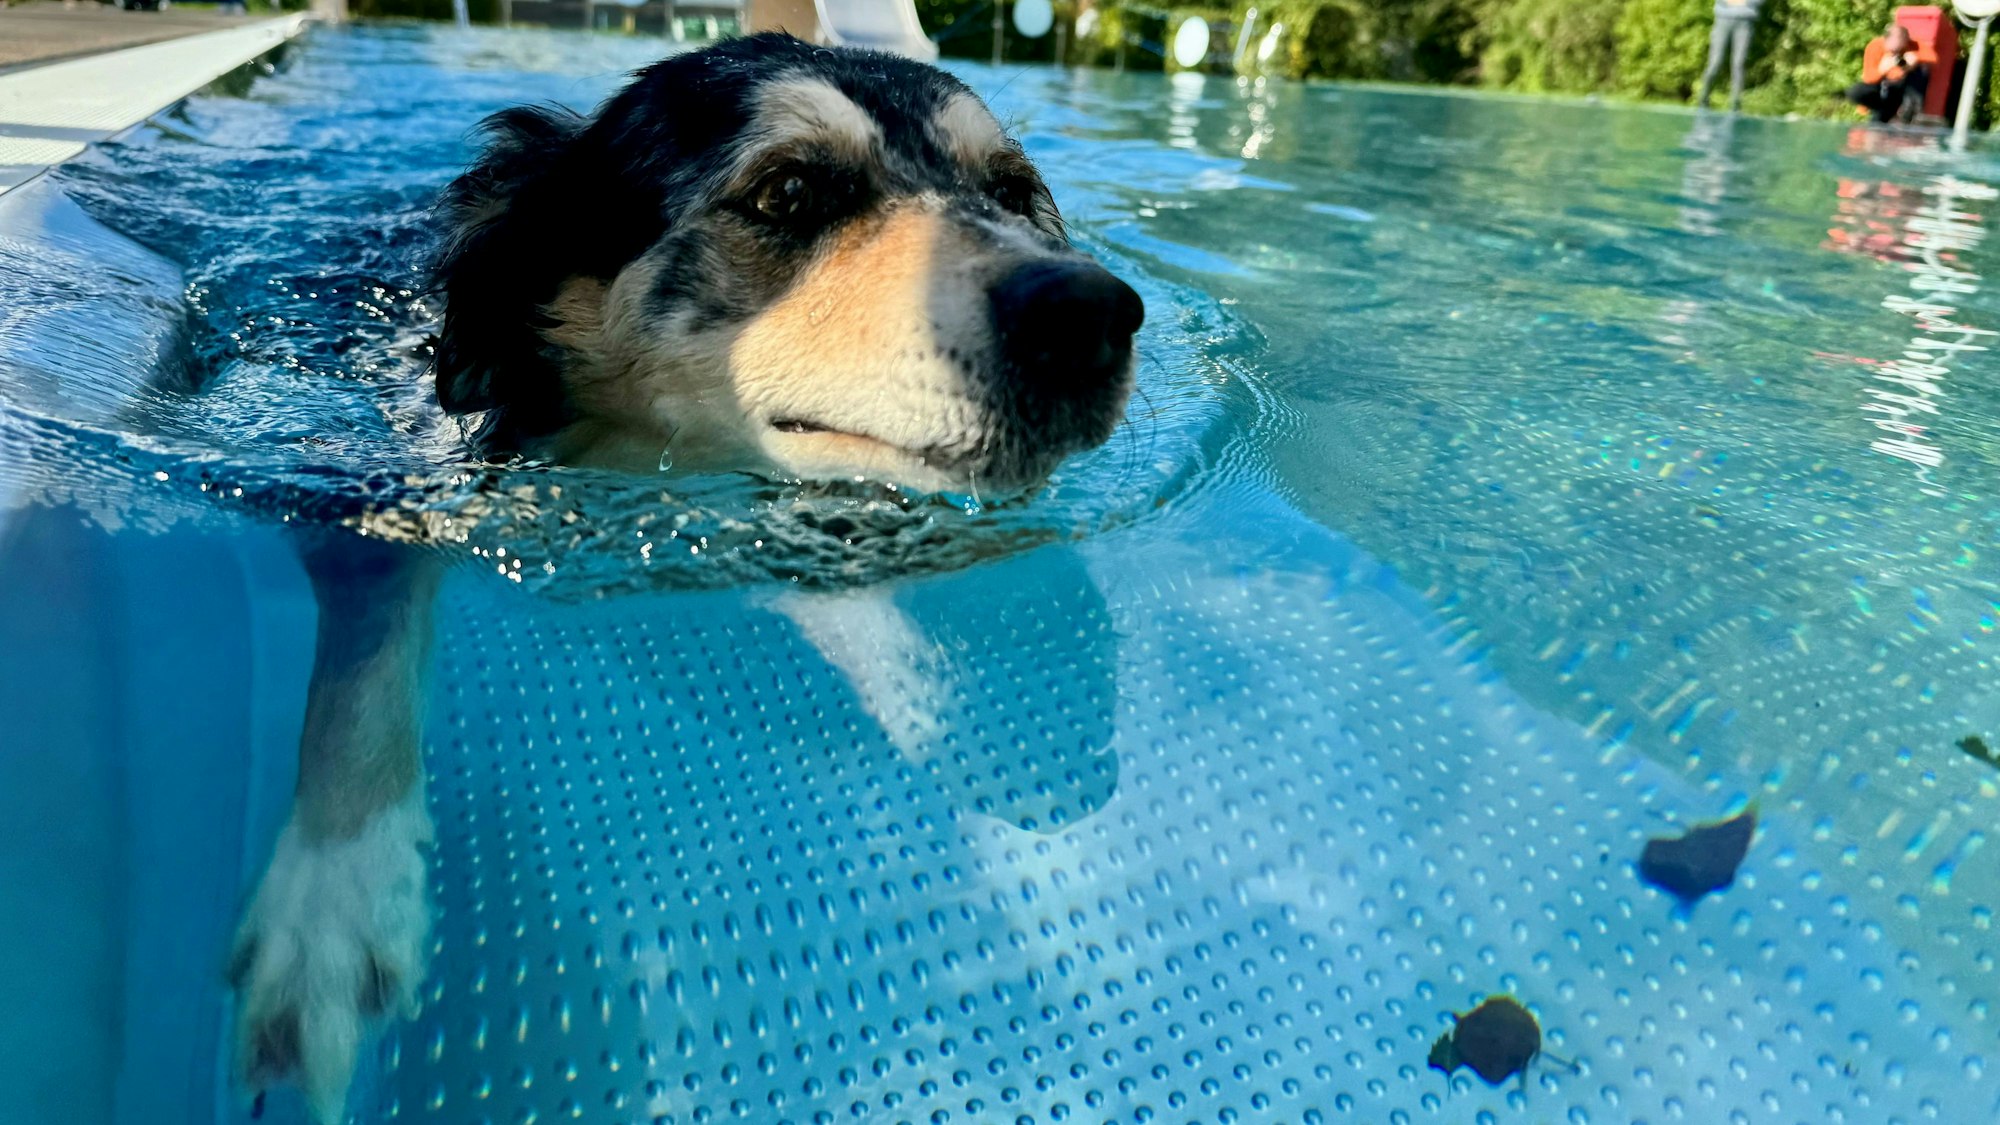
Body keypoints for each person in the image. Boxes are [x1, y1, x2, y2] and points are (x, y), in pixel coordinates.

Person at [1846, 24, 1930, 124]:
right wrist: (1882, 70)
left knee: (1921, 71)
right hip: (1880, 89)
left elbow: (1932, 57)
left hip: (1901, 89)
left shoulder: (1913, 46)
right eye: (1893, 48)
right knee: (1856, 91)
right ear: (1886, 39)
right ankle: (1881, 117)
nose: (1896, 52)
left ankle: (1908, 114)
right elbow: (1868, 78)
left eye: (1900, 47)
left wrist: (1915, 59)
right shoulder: (1874, 46)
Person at [1697, 0, 1764, 112]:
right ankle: (1703, 98)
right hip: (1723, 19)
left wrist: (1743, 3)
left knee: (1739, 63)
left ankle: (1735, 105)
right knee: (1715, 62)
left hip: (1745, 22)